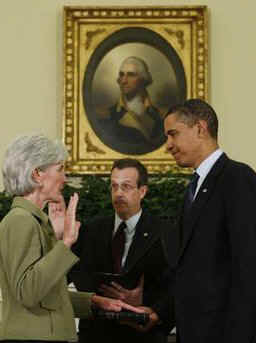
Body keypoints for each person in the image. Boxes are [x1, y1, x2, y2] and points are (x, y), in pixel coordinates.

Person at [0, 134, 142, 342]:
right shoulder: (20, 221)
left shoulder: (34, 221)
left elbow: (46, 295)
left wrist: (94, 301)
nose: (65, 178)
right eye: (60, 169)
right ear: (37, 174)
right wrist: (65, 243)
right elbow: (28, 293)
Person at [164, 98, 256, 343]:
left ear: (200, 129)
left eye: (173, 134)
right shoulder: (194, 187)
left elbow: (248, 266)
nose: (168, 145)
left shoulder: (237, 178)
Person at [69, 158, 175, 343]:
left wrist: (150, 307)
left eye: (126, 187)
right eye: (114, 186)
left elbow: (177, 284)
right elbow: (70, 275)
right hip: (97, 334)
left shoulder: (165, 232)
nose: (118, 193)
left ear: (142, 191)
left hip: (142, 334)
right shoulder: (91, 230)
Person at [98, 56, 166, 154]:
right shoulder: (109, 116)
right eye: (121, 75)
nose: (124, 81)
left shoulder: (159, 116)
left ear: (143, 79)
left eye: (131, 75)